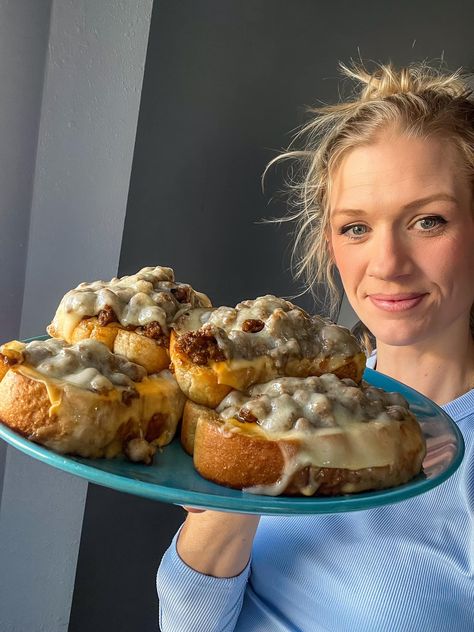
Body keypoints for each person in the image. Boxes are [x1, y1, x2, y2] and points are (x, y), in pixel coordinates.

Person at [156, 61, 474, 631]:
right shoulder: (276, 415)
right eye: (356, 227)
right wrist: (238, 500)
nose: (387, 265)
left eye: (428, 221)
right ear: (331, 244)